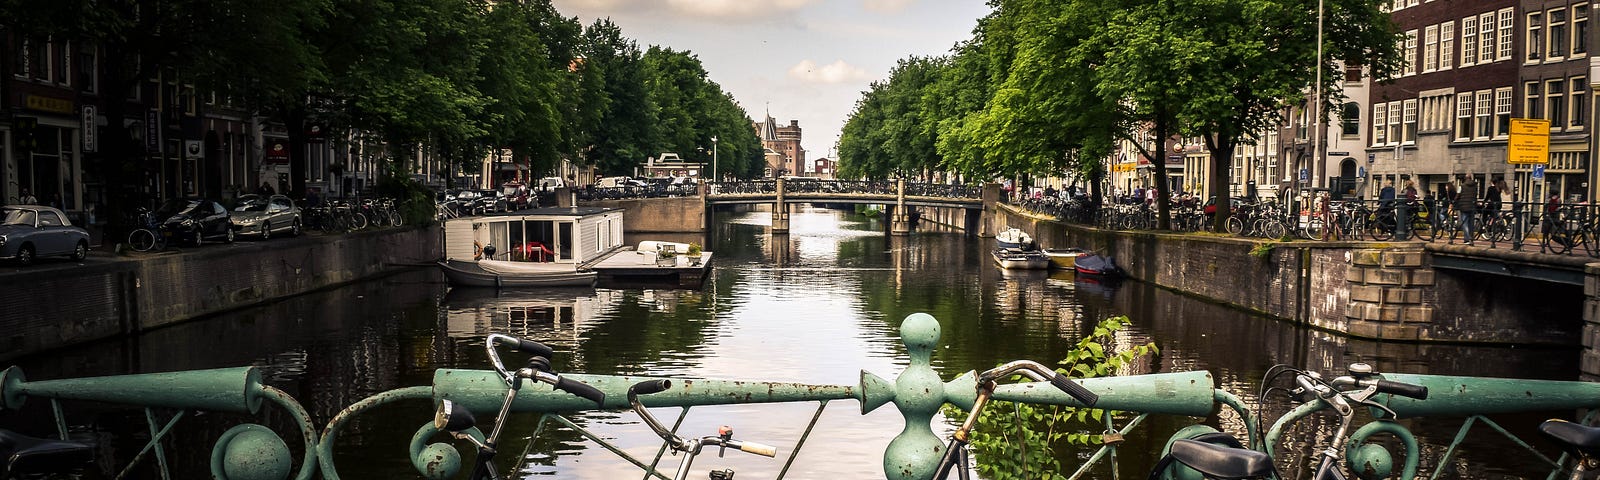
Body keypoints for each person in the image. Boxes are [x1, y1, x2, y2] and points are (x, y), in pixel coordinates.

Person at [1454, 175, 1479, 244]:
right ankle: (1471, 238)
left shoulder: (1462, 186)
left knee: (1464, 223)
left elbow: (1457, 196)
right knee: (1471, 223)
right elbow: (1475, 195)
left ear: (1465, 179)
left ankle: (1467, 238)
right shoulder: (1475, 186)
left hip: (1464, 206)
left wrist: (1454, 201)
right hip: (1472, 206)